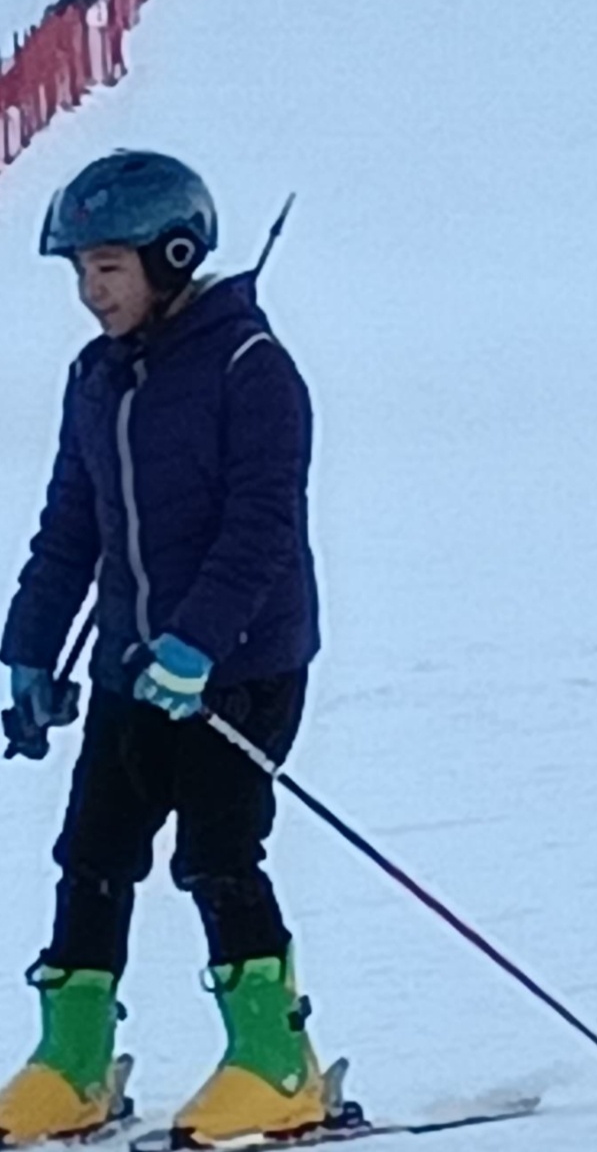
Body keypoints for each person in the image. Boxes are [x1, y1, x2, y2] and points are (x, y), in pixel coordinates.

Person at [0, 154, 334, 1147]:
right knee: (92, 854)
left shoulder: (250, 368)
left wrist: (196, 645)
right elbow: (72, 527)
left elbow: (260, 526)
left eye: (108, 267)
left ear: (171, 255)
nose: (90, 291)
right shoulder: (97, 376)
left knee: (218, 854)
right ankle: (74, 1064)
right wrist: (28, 652)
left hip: (241, 664)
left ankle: (278, 1064)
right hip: (130, 667)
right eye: (80, 272)